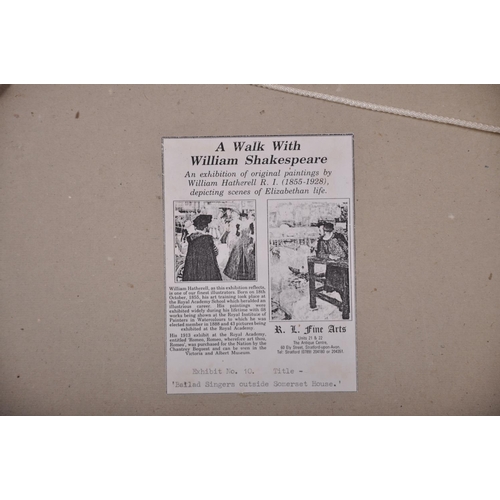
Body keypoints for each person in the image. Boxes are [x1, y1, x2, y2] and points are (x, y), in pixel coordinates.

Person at [182, 215, 222, 281]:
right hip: (206, 270)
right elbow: (214, 252)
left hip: (193, 269)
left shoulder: (191, 239)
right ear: (205, 227)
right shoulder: (207, 239)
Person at [316, 222, 348, 293]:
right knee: (333, 289)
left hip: (343, 268)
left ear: (326, 230)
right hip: (331, 269)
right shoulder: (321, 241)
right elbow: (319, 254)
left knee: (344, 289)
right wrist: (329, 256)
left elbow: (347, 250)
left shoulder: (338, 237)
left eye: (320, 230)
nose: (319, 232)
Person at [223, 211, 255, 280]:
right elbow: (237, 234)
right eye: (242, 217)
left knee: (248, 256)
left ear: (246, 217)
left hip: (247, 240)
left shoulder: (250, 223)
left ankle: (248, 273)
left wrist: (250, 239)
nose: (243, 218)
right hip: (240, 241)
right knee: (237, 256)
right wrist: (238, 231)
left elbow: (252, 233)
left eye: (244, 217)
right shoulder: (239, 223)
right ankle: (239, 273)